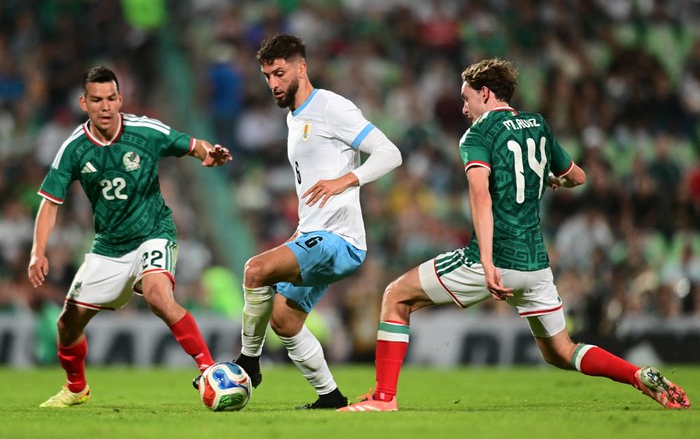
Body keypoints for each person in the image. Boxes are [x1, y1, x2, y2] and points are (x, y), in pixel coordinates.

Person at [338, 58, 691, 412]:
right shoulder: (538, 124)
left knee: (396, 296)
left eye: (466, 98)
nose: (463, 108)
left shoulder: (477, 135)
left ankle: (384, 398)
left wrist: (487, 262)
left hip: (494, 258)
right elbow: (578, 177)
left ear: (486, 93)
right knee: (561, 351)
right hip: (536, 264)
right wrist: (550, 178)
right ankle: (637, 375)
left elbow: (481, 196)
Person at [196, 33, 401, 409]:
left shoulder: (331, 107)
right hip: (317, 235)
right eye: (266, 76)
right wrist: (301, 230)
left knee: (255, 270)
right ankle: (331, 397)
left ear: (301, 68)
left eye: (279, 73)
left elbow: (390, 153)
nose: (273, 83)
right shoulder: (295, 118)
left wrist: (345, 180)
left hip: (340, 240)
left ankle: (248, 361)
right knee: (284, 322)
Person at [28, 66, 233, 408]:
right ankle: (76, 389)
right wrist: (38, 251)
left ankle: (209, 370)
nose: (105, 106)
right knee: (67, 325)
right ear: (84, 103)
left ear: (120, 99)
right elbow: (49, 203)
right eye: (96, 100)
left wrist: (210, 155)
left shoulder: (145, 131)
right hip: (108, 247)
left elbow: (193, 144)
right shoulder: (74, 148)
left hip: (154, 233)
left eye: (111, 98)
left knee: (157, 295)